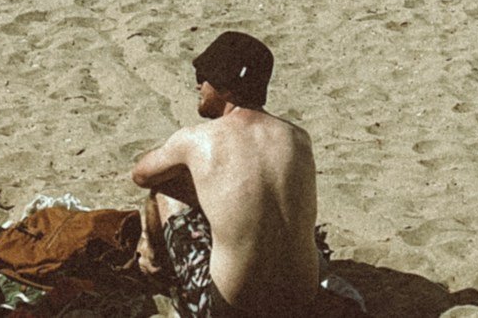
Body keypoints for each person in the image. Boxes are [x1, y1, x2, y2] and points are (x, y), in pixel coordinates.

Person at [132, 34, 355, 318]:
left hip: (230, 311)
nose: (198, 85)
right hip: (299, 305)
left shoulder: (197, 140)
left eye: (204, 77)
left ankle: (155, 266)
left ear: (225, 88)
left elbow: (141, 175)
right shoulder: (298, 138)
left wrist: (182, 164)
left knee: (165, 188)